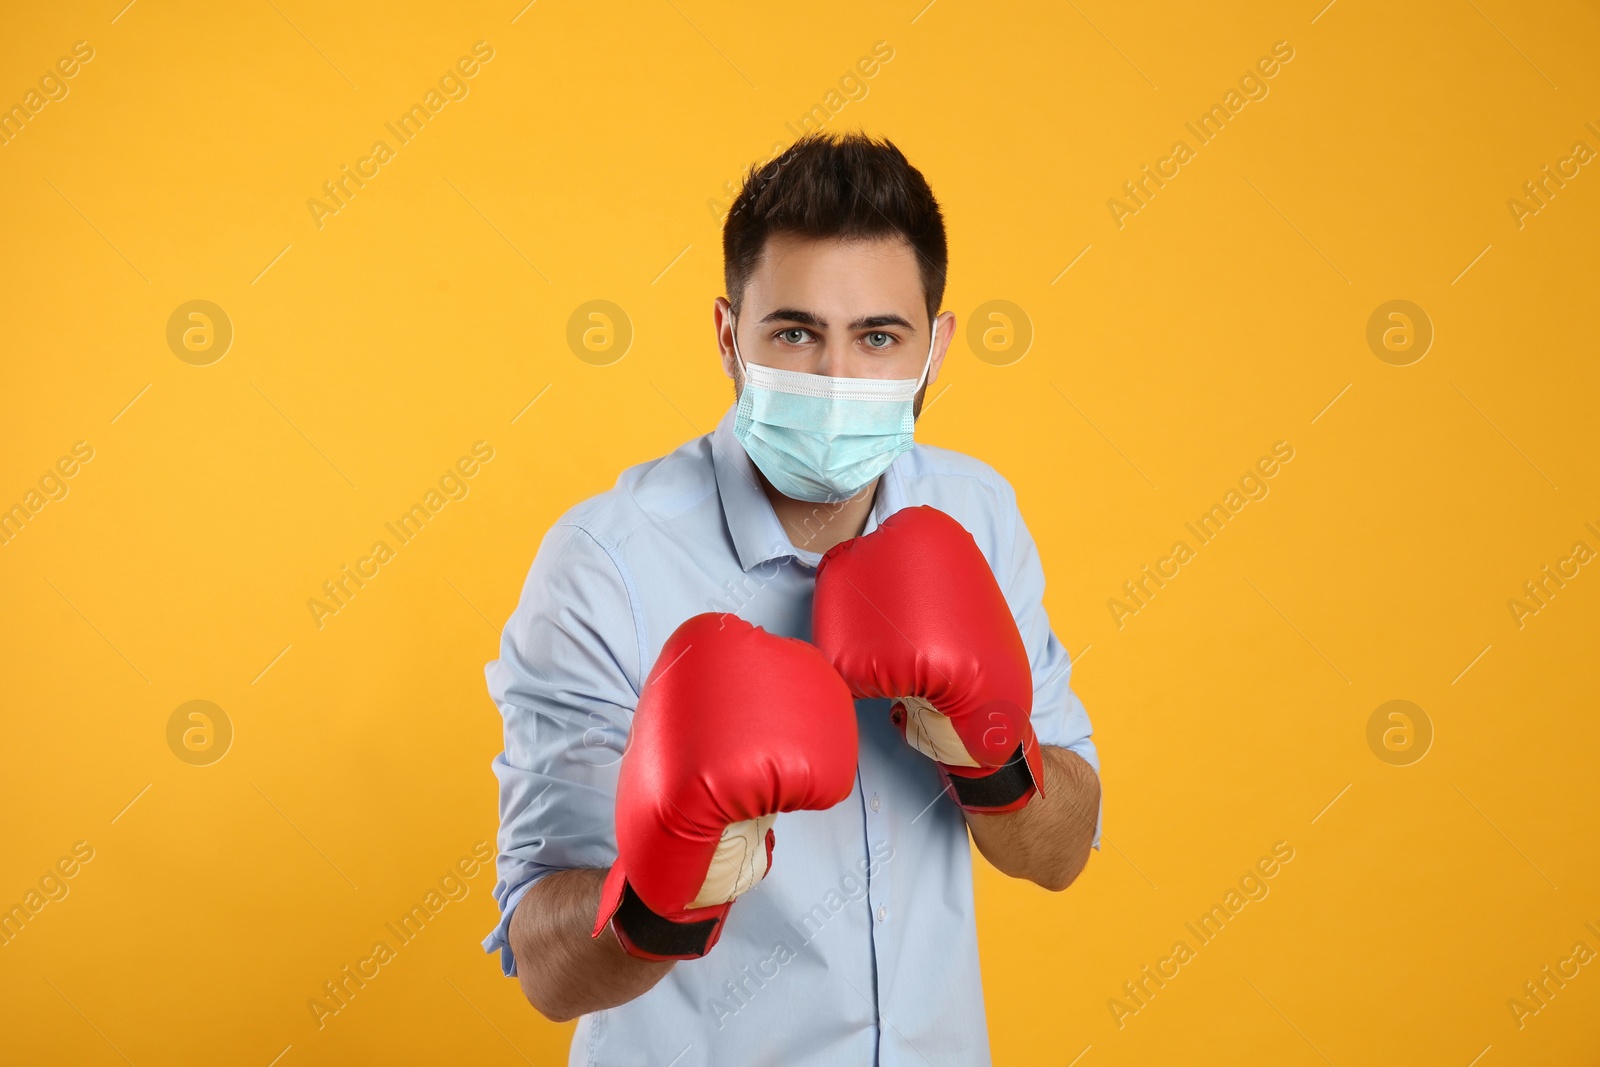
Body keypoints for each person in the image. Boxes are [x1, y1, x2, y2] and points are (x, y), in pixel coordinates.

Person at [482, 130, 1102, 1066]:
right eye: (796, 332)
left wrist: (993, 755)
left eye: (879, 337)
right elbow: (546, 969)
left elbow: (1060, 852)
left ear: (936, 349)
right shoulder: (606, 561)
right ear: (731, 336)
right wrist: (658, 897)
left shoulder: (976, 511)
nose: (837, 377)